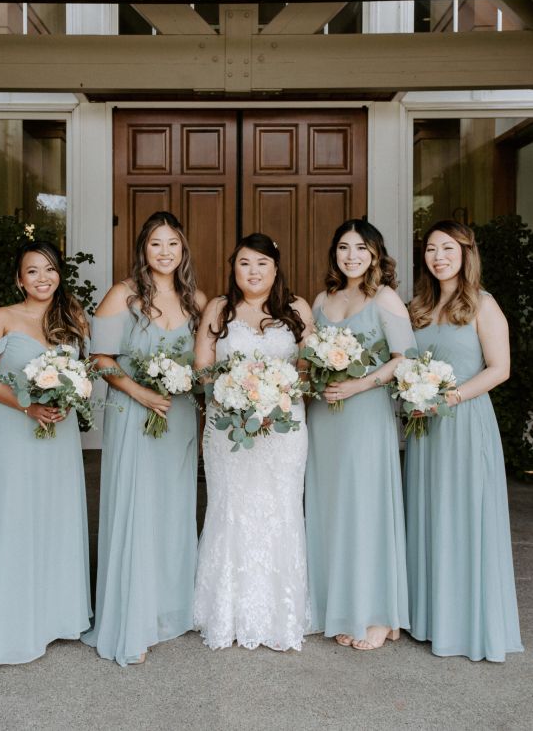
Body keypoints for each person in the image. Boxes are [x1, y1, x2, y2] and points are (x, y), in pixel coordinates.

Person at [0, 240, 92, 664]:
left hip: (58, 436)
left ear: (59, 274)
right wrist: (26, 405)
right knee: (13, 517)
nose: (42, 278)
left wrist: (72, 396)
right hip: (12, 432)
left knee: (54, 516)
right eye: (33, 270)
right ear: (19, 279)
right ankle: (8, 625)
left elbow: (84, 373)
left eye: (49, 269)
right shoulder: (3, 317)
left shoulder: (73, 318)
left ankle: (54, 617)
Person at [82, 211, 206, 666]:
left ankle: (168, 611)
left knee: (172, 508)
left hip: (178, 416)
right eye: (156, 243)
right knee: (137, 507)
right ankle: (131, 619)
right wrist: (141, 393)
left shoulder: (197, 301)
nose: (165, 252)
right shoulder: (123, 295)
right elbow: (100, 358)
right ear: (143, 249)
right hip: (135, 413)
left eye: (173, 243)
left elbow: (205, 364)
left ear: (183, 249)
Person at [404, 220, 523, 662]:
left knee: (464, 518)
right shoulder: (418, 306)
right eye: (431, 249)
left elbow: (500, 368)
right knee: (430, 515)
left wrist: (449, 397)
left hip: (465, 422)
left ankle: (468, 626)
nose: (438, 257)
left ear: (466, 253)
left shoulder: (482, 304)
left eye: (447, 248)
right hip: (426, 429)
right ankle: (432, 619)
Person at [193, 233, 313, 651]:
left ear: (276, 269)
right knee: (231, 509)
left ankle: (282, 613)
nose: (253, 271)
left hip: (284, 429)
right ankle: (225, 612)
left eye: (262, 263)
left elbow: (308, 366)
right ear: (234, 268)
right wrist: (234, 394)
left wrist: (276, 394)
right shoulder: (219, 308)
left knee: (281, 508)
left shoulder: (297, 309)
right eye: (244, 263)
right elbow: (203, 367)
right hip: (229, 428)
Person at [305, 219, 414, 650]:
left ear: (375, 254)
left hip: (364, 414)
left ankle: (376, 613)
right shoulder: (323, 299)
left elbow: (405, 358)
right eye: (344, 248)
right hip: (325, 417)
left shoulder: (384, 297)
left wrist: (359, 384)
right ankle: (339, 605)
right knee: (331, 507)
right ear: (334, 253)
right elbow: (308, 358)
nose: (351, 257)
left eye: (361, 249)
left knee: (365, 509)